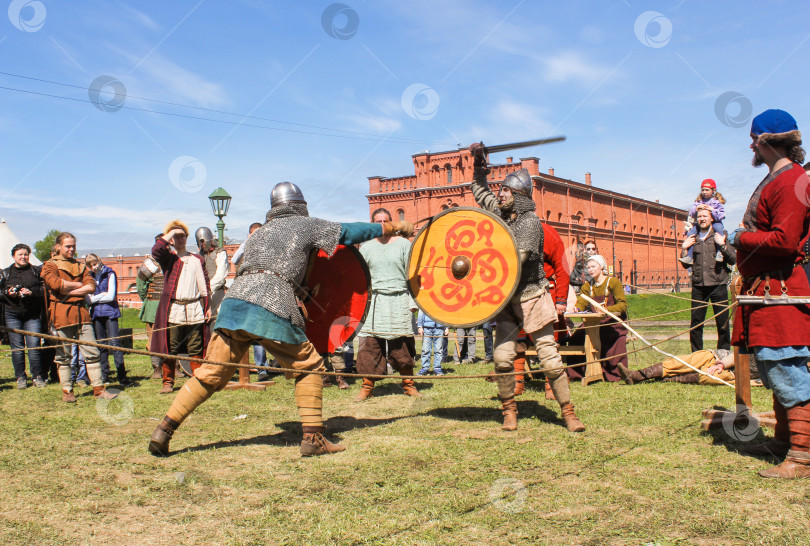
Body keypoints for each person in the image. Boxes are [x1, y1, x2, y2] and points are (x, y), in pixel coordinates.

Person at [148, 182, 413, 458]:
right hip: (271, 304)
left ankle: (164, 430)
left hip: (235, 304)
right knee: (309, 366)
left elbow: (268, 269)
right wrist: (389, 228)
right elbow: (349, 232)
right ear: (300, 205)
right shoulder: (303, 226)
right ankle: (313, 439)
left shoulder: (260, 234)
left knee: (210, 373)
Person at [469, 142, 584, 432]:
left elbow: (516, 261)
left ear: (519, 195)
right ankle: (509, 411)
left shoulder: (530, 222)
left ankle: (568, 412)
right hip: (506, 299)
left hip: (533, 295)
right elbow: (480, 190)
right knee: (503, 358)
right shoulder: (501, 213)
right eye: (501, 190)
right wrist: (478, 163)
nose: (500, 193)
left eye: (506, 190)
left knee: (549, 357)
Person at [729, 109, 810, 479]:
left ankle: (803, 454)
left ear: (766, 141)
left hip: (781, 291)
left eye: (753, 139)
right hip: (765, 292)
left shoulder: (792, 181)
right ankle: (782, 441)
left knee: (787, 370)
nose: (750, 145)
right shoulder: (777, 179)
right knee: (774, 369)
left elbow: (784, 240)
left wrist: (738, 238)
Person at [355, 208, 421, 401]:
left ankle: (408, 384)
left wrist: (412, 301)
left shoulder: (403, 244)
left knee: (401, 345)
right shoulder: (366, 247)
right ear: (373, 223)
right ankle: (367, 386)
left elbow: (412, 275)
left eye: (386, 220)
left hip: (399, 299)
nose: (382, 224)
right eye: (378, 221)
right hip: (374, 302)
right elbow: (361, 277)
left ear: (392, 222)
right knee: (369, 345)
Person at [40, 233, 115, 403]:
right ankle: (67, 391)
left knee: (92, 352)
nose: (71, 249)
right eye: (68, 246)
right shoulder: (50, 265)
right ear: (58, 246)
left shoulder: (81, 266)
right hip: (60, 313)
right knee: (63, 355)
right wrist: (78, 285)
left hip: (81, 313)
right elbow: (55, 284)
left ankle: (98, 389)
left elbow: (91, 286)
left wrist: (69, 290)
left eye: (73, 246)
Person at [150, 220, 211, 394]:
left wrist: (207, 306)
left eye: (183, 235)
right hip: (174, 310)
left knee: (196, 347)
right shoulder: (169, 258)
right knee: (171, 346)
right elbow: (156, 250)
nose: (181, 239)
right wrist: (171, 233)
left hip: (194, 308)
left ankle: (197, 380)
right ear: (171, 239)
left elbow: (204, 284)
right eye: (177, 236)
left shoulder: (197, 259)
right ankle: (168, 382)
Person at [680, 207, 736, 353]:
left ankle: (724, 353)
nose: (702, 219)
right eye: (699, 216)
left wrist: (722, 245)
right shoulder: (693, 235)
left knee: (722, 322)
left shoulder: (720, 234)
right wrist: (684, 249)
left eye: (705, 216)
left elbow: (733, 259)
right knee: (696, 324)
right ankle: (697, 354)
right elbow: (686, 263)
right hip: (699, 286)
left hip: (718, 284)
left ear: (712, 218)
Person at [569, 254, 628, 382]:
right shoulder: (587, 286)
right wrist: (577, 308)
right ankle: (578, 373)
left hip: (612, 322)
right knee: (575, 338)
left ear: (601, 267)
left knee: (614, 339)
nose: (590, 270)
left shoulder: (613, 282)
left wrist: (607, 310)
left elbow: (622, 304)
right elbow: (582, 301)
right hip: (594, 323)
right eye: (588, 267)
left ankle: (614, 374)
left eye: (593, 266)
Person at [231, 222, 276, 381]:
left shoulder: (268, 249)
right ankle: (240, 367)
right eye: (255, 233)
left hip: (262, 293)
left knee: (259, 333)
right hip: (245, 292)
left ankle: (262, 368)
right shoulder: (246, 246)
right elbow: (235, 260)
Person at [1, 243, 46, 389]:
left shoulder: (36, 271)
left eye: (26, 254)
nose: (23, 257)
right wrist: (9, 293)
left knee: (33, 345)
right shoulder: (5, 273)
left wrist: (31, 292)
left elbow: (44, 289)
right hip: (12, 313)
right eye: (20, 254)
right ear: (13, 256)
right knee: (17, 347)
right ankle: (20, 377)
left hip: (32, 314)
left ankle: (37, 376)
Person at [84, 254, 130, 386]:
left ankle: (122, 375)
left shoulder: (110, 273)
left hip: (111, 313)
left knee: (115, 343)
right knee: (101, 345)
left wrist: (95, 298)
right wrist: (100, 296)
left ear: (99, 261)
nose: (94, 267)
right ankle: (105, 375)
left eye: (95, 263)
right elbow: (88, 300)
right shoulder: (89, 276)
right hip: (96, 315)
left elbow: (111, 296)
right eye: (91, 265)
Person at [618, 349, 735, 385]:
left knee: (708, 377)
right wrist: (722, 364)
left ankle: (667, 378)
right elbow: (739, 354)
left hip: (735, 374)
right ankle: (636, 375)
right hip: (720, 358)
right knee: (683, 362)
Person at [679, 179, 727, 265]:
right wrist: (697, 208)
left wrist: (712, 210)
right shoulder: (698, 202)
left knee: (719, 229)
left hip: (715, 222)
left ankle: (720, 252)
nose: (704, 192)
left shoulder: (716, 202)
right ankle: (689, 256)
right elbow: (691, 213)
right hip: (700, 224)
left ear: (713, 190)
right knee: (691, 233)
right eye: (703, 190)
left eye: (707, 190)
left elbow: (722, 215)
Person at [136, 245, 165, 379]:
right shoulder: (149, 264)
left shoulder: (172, 261)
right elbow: (141, 287)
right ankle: (156, 368)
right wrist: (149, 301)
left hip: (169, 305)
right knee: (153, 338)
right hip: (153, 305)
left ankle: (172, 366)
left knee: (171, 337)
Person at [195, 227, 228, 316]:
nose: (202, 244)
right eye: (200, 242)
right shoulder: (197, 256)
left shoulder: (220, 253)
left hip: (216, 294)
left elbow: (220, 276)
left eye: (203, 241)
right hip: (202, 296)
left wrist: (208, 290)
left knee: (216, 321)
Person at [417, 310, 449, 375]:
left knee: (438, 350)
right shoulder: (425, 300)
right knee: (425, 349)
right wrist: (420, 326)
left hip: (439, 328)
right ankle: (425, 368)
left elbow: (446, 312)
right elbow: (421, 312)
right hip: (427, 328)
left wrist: (447, 327)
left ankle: (437, 368)